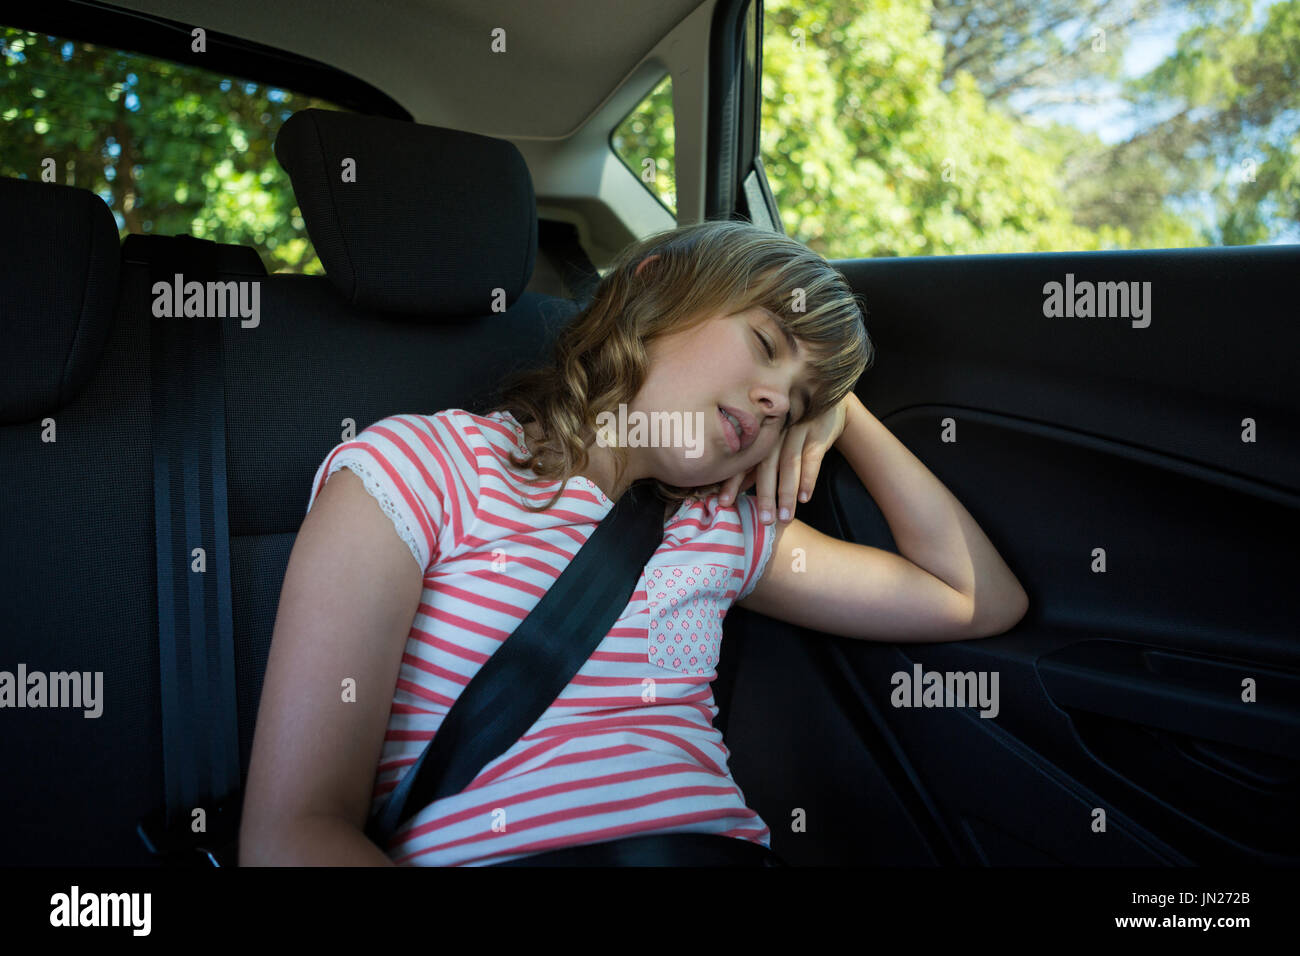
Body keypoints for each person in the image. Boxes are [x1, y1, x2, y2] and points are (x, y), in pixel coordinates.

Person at [240, 219, 1023, 867]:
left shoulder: (725, 529)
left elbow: (973, 596)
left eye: (797, 404)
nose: (776, 398)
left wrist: (846, 412)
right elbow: (292, 835)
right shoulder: (419, 471)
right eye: (765, 343)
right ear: (650, 284)